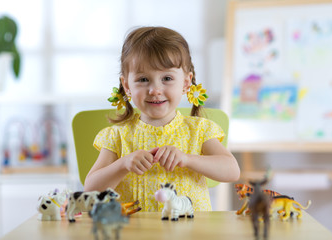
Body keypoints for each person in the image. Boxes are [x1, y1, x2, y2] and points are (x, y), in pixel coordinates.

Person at [84, 26, 240, 211]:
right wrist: (122, 164)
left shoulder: (199, 130)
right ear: (126, 85)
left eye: (166, 78)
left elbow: (232, 170)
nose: (155, 90)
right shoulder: (117, 135)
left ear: (185, 83)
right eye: (143, 80)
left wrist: (188, 159)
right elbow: (90, 189)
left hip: (191, 231)